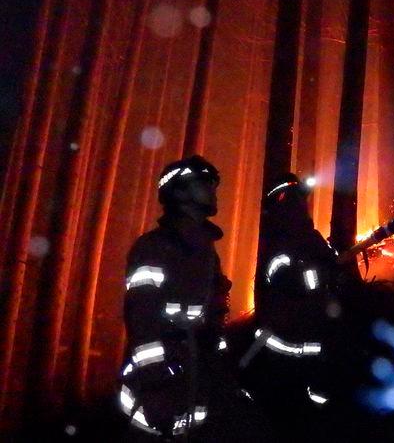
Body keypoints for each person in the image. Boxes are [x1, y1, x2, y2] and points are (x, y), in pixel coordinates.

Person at [119, 155, 265, 441]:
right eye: (204, 183)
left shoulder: (205, 250)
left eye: (213, 183)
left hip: (200, 371)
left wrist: (222, 364)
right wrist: (157, 380)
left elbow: (212, 314)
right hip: (163, 379)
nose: (213, 189)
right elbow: (141, 316)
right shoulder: (154, 247)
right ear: (178, 191)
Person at [241, 173, 357, 439]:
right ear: (284, 202)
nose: (302, 205)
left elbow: (328, 274)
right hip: (284, 351)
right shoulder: (280, 245)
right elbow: (284, 290)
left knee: (317, 413)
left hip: (314, 346)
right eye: (296, 200)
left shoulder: (310, 238)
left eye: (302, 200)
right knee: (285, 416)